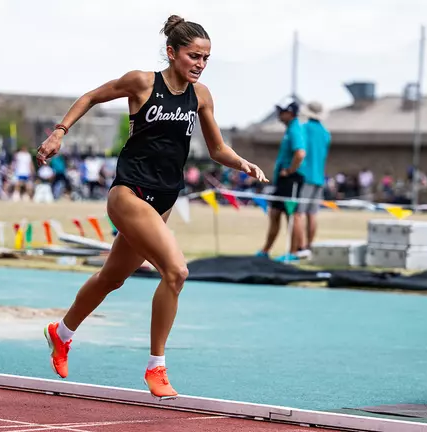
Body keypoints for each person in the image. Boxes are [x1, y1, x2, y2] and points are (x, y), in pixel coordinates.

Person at [36, 15, 267, 400]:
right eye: (194, 56)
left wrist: (241, 162)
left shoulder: (202, 96)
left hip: (163, 201)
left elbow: (216, 149)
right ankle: (156, 366)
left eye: (206, 58)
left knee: (112, 278)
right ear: (172, 52)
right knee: (176, 271)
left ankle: (61, 334)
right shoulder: (143, 82)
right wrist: (59, 132)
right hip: (128, 194)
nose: (200, 64)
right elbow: (92, 96)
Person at [256, 100, 305, 261]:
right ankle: (265, 250)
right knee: (275, 213)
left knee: (292, 215)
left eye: (281, 111)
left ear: (290, 113)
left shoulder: (295, 129)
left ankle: (293, 252)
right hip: (283, 180)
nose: (279, 114)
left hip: (291, 179)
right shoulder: (290, 129)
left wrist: (290, 170)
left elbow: (300, 153)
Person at [291, 102, 331, 259]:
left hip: (304, 176)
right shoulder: (326, 133)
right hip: (319, 177)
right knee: (312, 214)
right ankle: (310, 245)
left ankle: (301, 248)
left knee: (298, 213)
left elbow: (300, 150)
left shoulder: (303, 128)